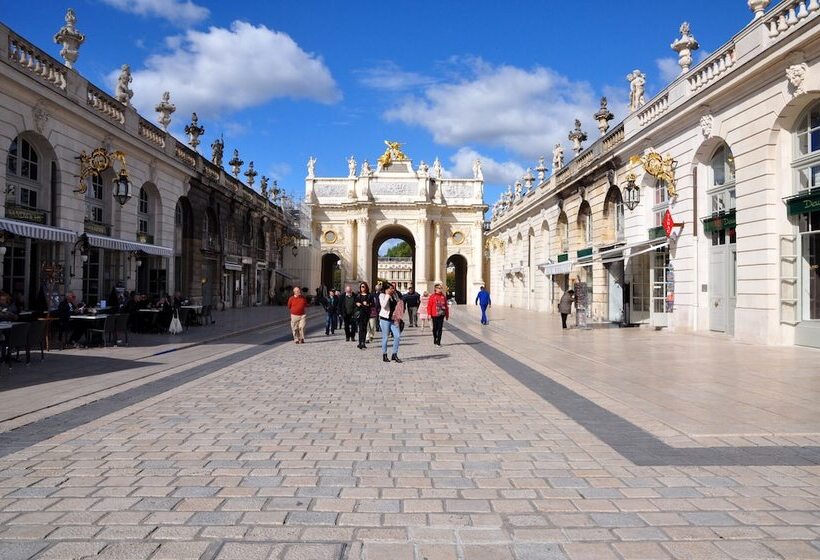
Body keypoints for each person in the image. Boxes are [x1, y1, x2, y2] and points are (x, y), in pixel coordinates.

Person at [378, 282, 403, 363]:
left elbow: (398, 304)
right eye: (391, 288)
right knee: (385, 337)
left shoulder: (395, 295)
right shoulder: (382, 295)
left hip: (393, 319)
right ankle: (384, 354)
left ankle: (394, 354)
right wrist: (387, 296)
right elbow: (384, 306)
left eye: (393, 288)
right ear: (386, 289)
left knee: (397, 336)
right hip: (385, 319)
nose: (392, 290)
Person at [354, 282, 372, 349]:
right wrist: (357, 304)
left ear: (366, 287)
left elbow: (372, 304)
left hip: (366, 313)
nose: (362, 288)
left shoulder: (369, 295)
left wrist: (367, 304)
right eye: (361, 286)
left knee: (364, 328)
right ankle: (360, 342)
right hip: (360, 313)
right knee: (360, 328)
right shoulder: (358, 295)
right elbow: (355, 302)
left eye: (363, 286)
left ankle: (363, 343)